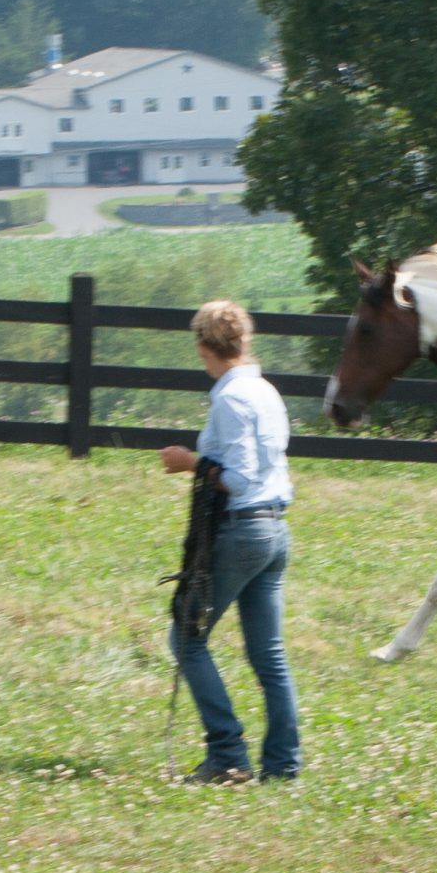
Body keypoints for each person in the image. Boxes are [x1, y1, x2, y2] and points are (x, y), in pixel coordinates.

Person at [159, 299, 301, 785]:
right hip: (276, 530)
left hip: (240, 530)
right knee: (270, 655)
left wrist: (190, 461)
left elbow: (238, 479)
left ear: (204, 347)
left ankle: (228, 753)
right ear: (244, 340)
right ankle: (283, 764)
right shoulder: (266, 390)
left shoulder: (230, 398)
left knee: (186, 637)